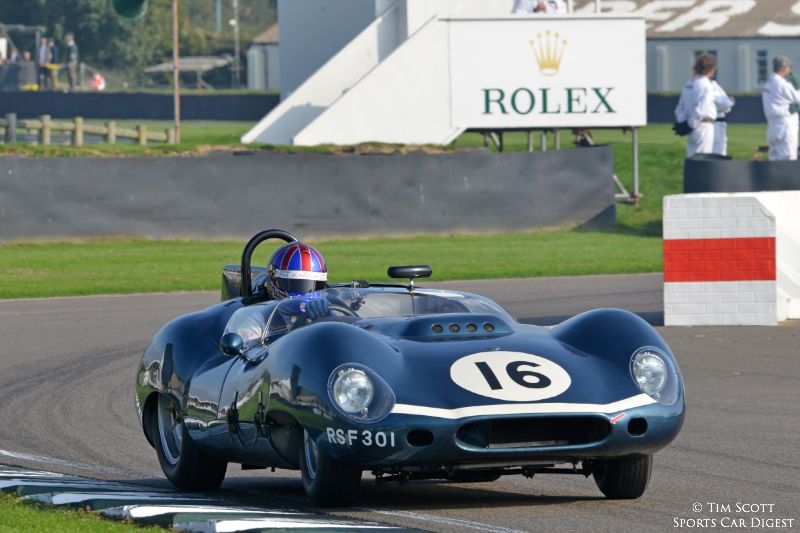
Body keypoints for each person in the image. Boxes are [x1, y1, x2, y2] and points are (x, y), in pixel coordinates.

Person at [264, 241, 330, 320]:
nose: (304, 296)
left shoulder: (331, 308)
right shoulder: (260, 317)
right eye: (296, 284)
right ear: (273, 278)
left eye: (315, 284)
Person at [674, 53, 717, 157]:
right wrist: (690, 124)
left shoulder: (689, 84)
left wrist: (683, 122)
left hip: (691, 127)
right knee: (702, 160)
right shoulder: (706, 85)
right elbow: (702, 109)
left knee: (691, 157)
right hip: (703, 126)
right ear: (712, 69)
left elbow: (680, 107)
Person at [762, 56, 800, 161]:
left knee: (774, 160)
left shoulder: (768, 83)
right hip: (785, 124)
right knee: (789, 159)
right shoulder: (783, 84)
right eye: (789, 67)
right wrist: (798, 88)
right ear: (784, 67)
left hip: (772, 126)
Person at [711, 80, 734, 156]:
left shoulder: (714, 85)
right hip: (715, 123)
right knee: (719, 153)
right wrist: (729, 103)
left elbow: (727, 106)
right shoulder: (711, 85)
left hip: (716, 123)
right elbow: (727, 104)